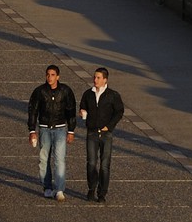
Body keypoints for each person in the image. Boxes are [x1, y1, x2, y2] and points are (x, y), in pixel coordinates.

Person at [27, 64, 77, 201]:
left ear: (58, 76)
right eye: (48, 75)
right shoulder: (39, 91)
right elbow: (33, 110)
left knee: (59, 160)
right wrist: (32, 130)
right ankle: (47, 187)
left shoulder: (65, 91)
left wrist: (71, 130)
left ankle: (59, 189)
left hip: (60, 128)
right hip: (44, 128)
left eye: (53, 75)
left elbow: (71, 110)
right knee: (44, 159)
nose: (50, 77)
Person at [79, 67, 124, 202]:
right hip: (92, 132)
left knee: (105, 165)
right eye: (94, 77)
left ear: (105, 79)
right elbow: (82, 106)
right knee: (91, 163)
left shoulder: (113, 95)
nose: (95, 80)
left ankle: (102, 193)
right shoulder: (88, 94)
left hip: (106, 134)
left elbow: (119, 111)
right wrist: (82, 112)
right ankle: (92, 188)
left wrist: (109, 126)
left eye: (98, 78)